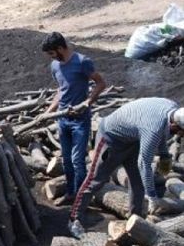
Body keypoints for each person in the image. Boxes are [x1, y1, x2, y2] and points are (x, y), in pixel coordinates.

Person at [68, 99, 183, 237]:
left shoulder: (173, 109)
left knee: (138, 182)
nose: (180, 135)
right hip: (111, 137)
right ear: (175, 125)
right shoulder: (153, 128)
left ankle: (136, 221)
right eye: (181, 132)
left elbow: (162, 132)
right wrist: (152, 197)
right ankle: (74, 219)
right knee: (95, 180)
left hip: (132, 139)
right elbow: (144, 163)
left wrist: (165, 155)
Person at [38, 32, 106, 234]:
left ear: (60, 48)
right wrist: (48, 112)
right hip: (63, 119)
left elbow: (100, 83)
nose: (52, 57)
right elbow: (61, 90)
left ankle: (82, 199)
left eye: (52, 53)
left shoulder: (82, 62)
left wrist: (87, 102)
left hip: (80, 120)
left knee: (78, 159)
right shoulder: (55, 66)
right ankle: (70, 192)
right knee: (66, 159)